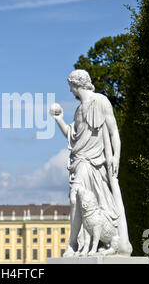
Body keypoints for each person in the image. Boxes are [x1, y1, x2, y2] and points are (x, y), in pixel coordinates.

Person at [52, 69, 132, 256]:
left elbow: (114, 133)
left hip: (96, 162)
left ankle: (85, 243)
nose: (70, 91)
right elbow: (71, 135)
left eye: (70, 86)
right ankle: (75, 243)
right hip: (80, 160)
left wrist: (116, 156)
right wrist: (59, 120)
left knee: (92, 203)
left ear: (76, 83)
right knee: (76, 200)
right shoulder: (79, 110)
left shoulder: (101, 101)